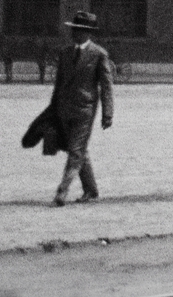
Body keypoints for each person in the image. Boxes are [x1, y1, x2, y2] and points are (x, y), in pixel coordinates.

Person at [49, 11, 114, 206]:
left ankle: (62, 191)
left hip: (86, 110)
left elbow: (107, 86)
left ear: (89, 33)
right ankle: (91, 190)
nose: (75, 34)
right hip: (65, 109)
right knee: (76, 148)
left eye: (80, 30)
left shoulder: (99, 54)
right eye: (74, 29)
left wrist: (107, 113)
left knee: (76, 150)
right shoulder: (65, 53)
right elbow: (59, 84)